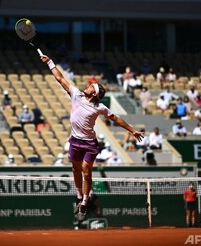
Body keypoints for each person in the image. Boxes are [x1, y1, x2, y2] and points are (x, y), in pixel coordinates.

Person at [40, 54, 144, 222]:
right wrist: (50, 62)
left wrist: (132, 131)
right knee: (75, 169)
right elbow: (60, 78)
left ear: (94, 94)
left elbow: (116, 119)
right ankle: (79, 195)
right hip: (74, 140)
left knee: (86, 171)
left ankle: (84, 202)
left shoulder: (99, 107)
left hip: (89, 144)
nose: (88, 86)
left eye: (91, 86)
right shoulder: (76, 94)